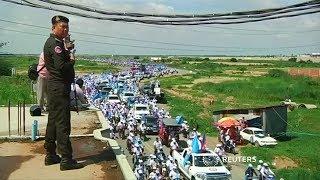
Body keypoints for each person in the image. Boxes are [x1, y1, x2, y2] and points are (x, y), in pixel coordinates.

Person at [43, 15, 83, 171]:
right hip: (59, 87)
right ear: (53, 27)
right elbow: (62, 67)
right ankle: (66, 159)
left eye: (67, 27)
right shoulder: (55, 44)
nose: (65, 29)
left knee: (53, 121)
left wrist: (68, 49)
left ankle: (51, 154)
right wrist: (72, 59)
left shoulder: (57, 43)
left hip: (55, 87)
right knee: (62, 123)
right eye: (62, 27)